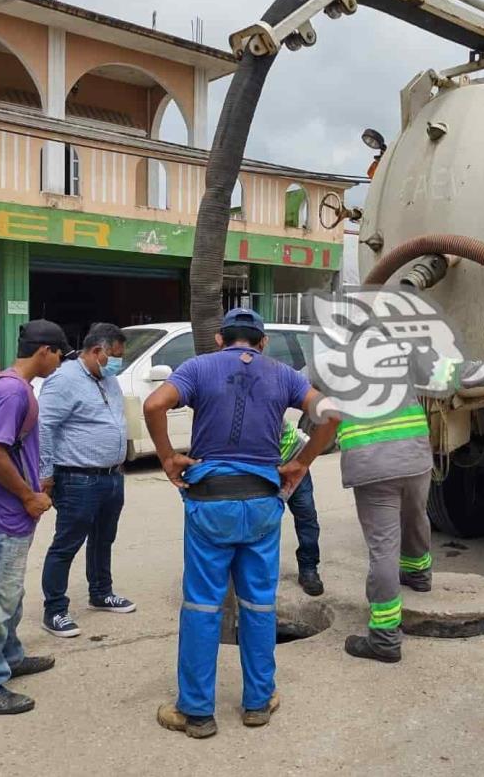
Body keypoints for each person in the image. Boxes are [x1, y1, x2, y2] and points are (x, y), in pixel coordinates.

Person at [144, 308, 336, 739]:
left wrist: (167, 457)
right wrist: (302, 463)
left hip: (211, 502)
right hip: (263, 502)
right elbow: (333, 415)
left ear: (220, 339)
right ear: (262, 342)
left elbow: (155, 404)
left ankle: (195, 712)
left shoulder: (197, 368)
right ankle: (257, 702)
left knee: (201, 605)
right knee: (259, 604)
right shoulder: (283, 374)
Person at [336, 348, 484, 664]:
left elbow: (313, 408)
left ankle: (384, 638)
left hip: (372, 464)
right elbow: (459, 376)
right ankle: (418, 574)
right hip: (414, 458)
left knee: (383, 548)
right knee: (415, 518)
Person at [0, 320, 69, 716]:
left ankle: (8, 655)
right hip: (5, 510)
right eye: (59, 354)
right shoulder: (11, 390)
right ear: (45, 351)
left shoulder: (13, 385)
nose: (59, 363)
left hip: (11, 510)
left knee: (10, 591)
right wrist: (28, 496)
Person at [38, 323, 134, 638]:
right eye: (114, 356)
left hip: (111, 476)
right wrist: (46, 474)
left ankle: (101, 592)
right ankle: (55, 609)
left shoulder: (108, 379)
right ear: (96, 351)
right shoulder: (63, 380)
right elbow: (45, 428)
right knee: (67, 543)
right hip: (78, 478)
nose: (118, 362)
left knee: (103, 539)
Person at [280, 421, 324, 596]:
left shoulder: (268, 399)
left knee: (306, 516)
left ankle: (308, 569)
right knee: (263, 523)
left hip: (294, 460)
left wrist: (302, 462)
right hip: (264, 470)